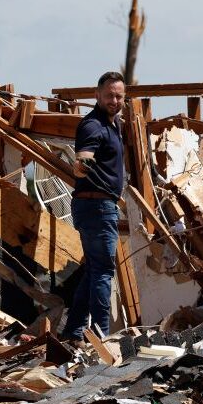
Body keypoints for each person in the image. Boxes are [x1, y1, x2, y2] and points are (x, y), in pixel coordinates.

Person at [61, 71, 126, 341]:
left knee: (93, 271)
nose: (114, 100)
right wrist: (83, 166)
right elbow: (84, 158)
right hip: (96, 207)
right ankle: (102, 338)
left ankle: (73, 332)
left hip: (98, 205)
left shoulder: (114, 124)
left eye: (119, 96)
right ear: (97, 95)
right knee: (102, 272)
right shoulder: (93, 125)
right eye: (109, 95)